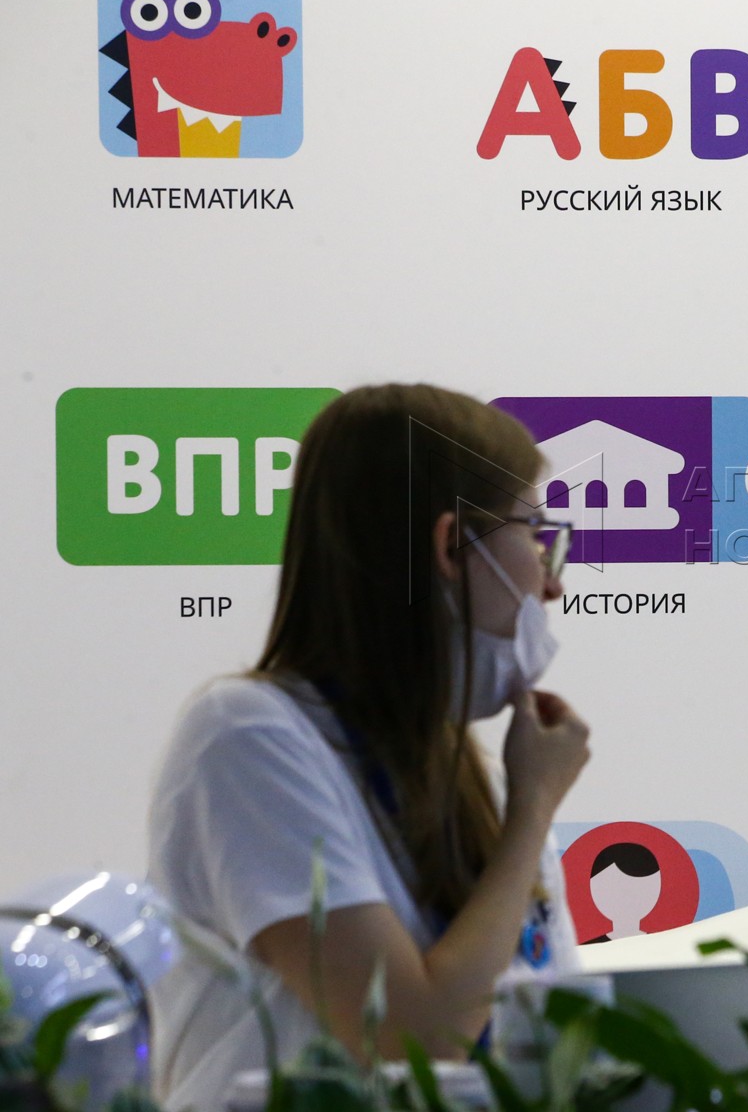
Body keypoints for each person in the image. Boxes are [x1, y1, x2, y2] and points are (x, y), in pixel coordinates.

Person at [146, 384, 590, 1112]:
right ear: (452, 545)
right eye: (536, 539)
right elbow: (411, 1043)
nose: (552, 584)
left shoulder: (459, 763)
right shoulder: (247, 736)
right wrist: (533, 810)